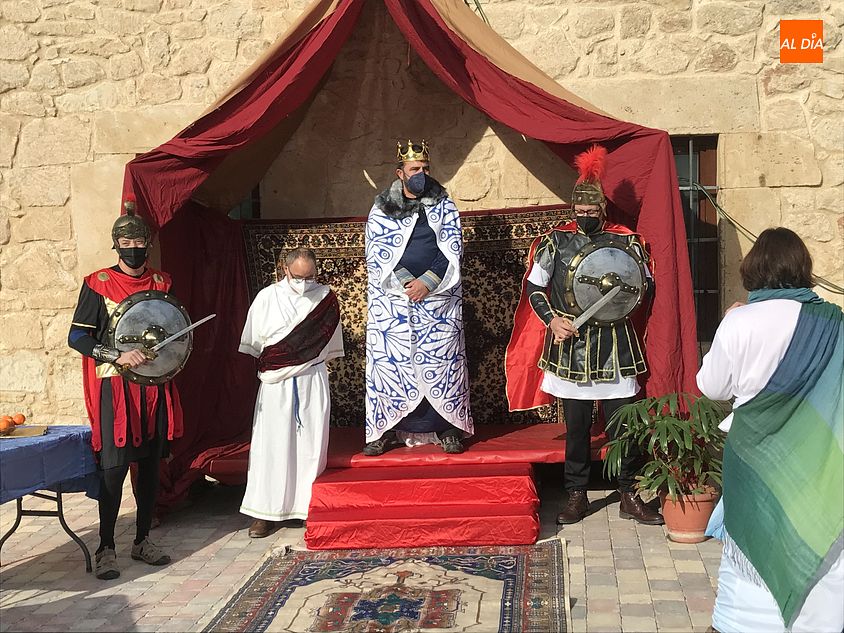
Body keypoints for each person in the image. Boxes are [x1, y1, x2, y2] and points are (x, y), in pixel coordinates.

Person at [505, 144, 663, 526]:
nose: (585, 216)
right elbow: (535, 288)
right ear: (572, 210)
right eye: (580, 212)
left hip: (615, 347)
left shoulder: (626, 242)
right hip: (572, 348)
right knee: (576, 429)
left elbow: (642, 288)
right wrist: (553, 321)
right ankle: (576, 495)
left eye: (592, 211)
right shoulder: (555, 243)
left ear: (602, 211)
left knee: (622, 425)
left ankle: (628, 493)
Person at [697, 227, 843, 633]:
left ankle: (744, 624)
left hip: (753, 454)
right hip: (816, 457)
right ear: (802, 269)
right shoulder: (833, 322)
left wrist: (729, 324)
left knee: (750, 543)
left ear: (753, 269)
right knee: (819, 541)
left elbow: (711, 387)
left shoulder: (740, 321)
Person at [68, 201, 183, 580]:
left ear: (148, 243)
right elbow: (77, 337)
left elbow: (170, 328)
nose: (132, 244)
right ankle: (106, 548)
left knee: (150, 466)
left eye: (138, 238)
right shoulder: (97, 283)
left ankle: (142, 540)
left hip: (153, 387)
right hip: (115, 388)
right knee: (114, 470)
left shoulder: (161, 282)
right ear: (116, 244)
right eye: (125, 238)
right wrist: (116, 353)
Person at [363, 140, 473, 456]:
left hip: (438, 301)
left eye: (425, 168)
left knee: (441, 364)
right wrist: (406, 282)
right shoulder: (382, 207)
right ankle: (386, 430)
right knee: (393, 366)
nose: (421, 174)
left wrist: (427, 283)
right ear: (400, 173)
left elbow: (451, 250)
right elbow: (378, 253)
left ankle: (447, 428)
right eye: (414, 169)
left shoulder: (444, 205)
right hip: (395, 302)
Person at [238, 248, 344, 538]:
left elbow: (329, 347)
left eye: (311, 276)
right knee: (271, 448)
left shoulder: (325, 298)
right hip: (276, 385)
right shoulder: (267, 298)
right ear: (285, 270)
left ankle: (305, 507)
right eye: (299, 276)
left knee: (310, 446)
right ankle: (265, 513)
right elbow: (255, 345)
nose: (305, 282)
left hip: (312, 379)